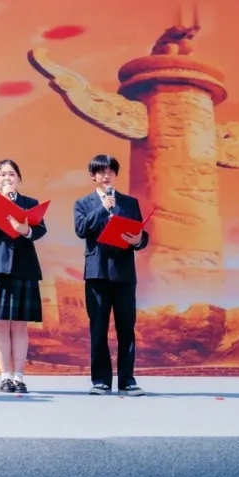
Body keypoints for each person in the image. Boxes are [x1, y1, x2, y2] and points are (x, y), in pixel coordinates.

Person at [72, 154, 149, 397]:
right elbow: (81, 229)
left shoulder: (129, 203)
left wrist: (138, 240)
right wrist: (102, 208)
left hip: (124, 274)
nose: (106, 176)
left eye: (110, 171)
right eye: (101, 172)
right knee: (98, 329)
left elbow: (141, 235)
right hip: (97, 274)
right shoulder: (83, 203)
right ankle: (101, 381)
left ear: (116, 174)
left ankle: (127, 381)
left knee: (127, 328)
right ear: (93, 176)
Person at [0, 159, 48, 394]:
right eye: (3, 174)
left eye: (12, 174)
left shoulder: (30, 203)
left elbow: (41, 229)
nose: (7, 178)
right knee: (0, 324)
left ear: (19, 179)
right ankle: (5, 376)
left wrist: (26, 230)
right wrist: (3, 203)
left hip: (24, 268)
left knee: (20, 325)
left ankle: (19, 377)